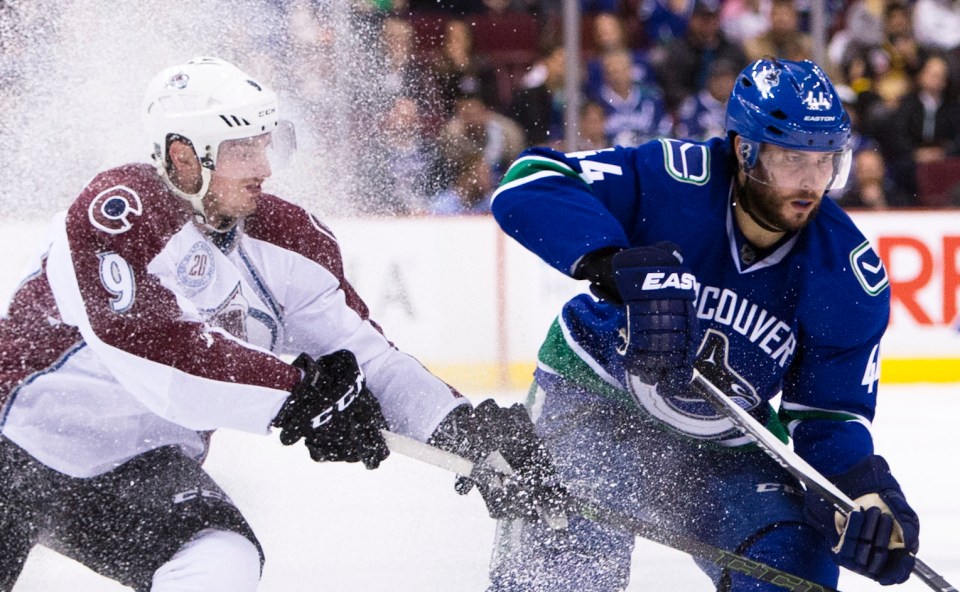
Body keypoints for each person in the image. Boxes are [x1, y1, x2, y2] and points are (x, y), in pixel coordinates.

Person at [0, 57, 563, 592]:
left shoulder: (289, 241)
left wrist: (463, 431)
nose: (264, 167)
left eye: (266, 145)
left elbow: (367, 359)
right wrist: (296, 392)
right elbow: (152, 352)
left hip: (132, 465)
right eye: (243, 148)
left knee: (220, 558)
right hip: (10, 443)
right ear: (183, 156)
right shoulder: (119, 209)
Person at [487, 58, 920, 591]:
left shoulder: (850, 277)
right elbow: (529, 182)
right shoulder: (671, 176)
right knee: (554, 583)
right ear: (744, 150)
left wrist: (861, 493)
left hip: (722, 446)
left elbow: (827, 418)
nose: (812, 183)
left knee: (794, 571)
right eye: (791, 160)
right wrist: (612, 262)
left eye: (826, 161)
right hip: (593, 407)